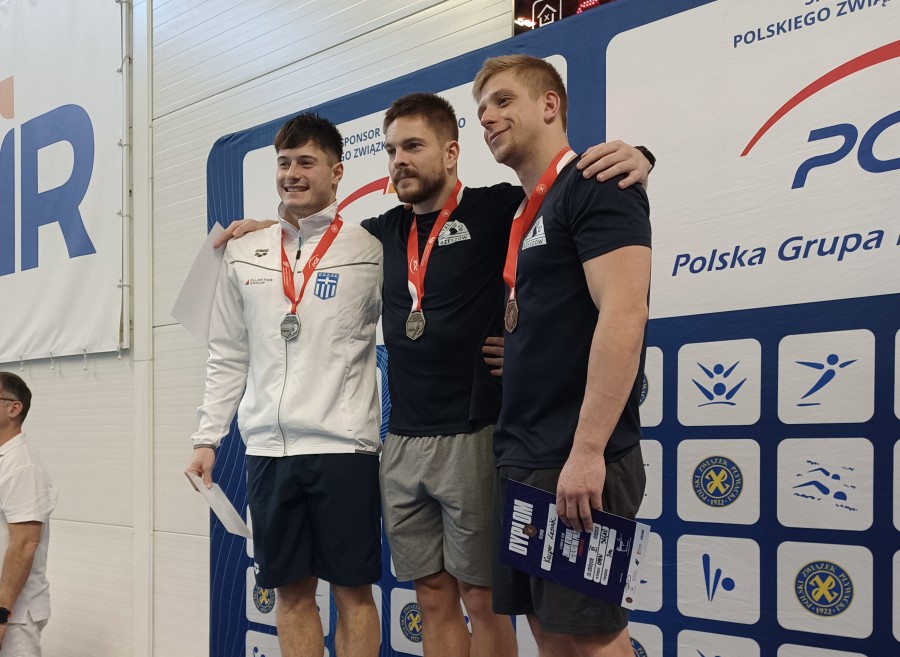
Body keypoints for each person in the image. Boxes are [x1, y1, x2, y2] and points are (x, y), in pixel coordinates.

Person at [219, 92, 651, 657]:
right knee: (431, 596)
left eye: (413, 147)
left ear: (450, 152)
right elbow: (316, 241)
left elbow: (564, 196)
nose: (399, 160)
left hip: (474, 434)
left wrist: (640, 157)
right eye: (392, 150)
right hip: (402, 442)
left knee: (482, 597)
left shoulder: (499, 207)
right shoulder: (378, 234)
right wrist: (268, 228)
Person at [185, 113, 383, 657]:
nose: (292, 174)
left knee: (353, 594)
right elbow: (229, 353)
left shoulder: (370, 249)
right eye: (284, 163)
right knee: (291, 594)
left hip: (344, 448)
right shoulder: (244, 251)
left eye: (306, 162)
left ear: (336, 172)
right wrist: (207, 438)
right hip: (269, 452)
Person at [474, 55, 651, 657]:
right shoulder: (524, 212)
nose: (487, 117)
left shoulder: (596, 182)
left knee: (594, 635)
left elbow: (625, 312)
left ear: (549, 104)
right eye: (481, 109)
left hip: (576, 457)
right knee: (548, 632)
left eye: (502, 101)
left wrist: (588, 452)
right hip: (523, 453)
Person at [0, 372, 58, 657]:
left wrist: (2, 614)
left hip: (14, 616)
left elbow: (25, 544)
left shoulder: (23, 466)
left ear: (14, 408)